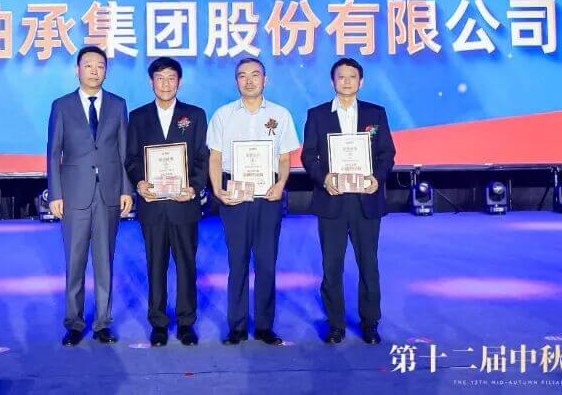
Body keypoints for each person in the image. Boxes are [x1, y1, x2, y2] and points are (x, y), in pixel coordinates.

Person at [300, 57, 396, 345]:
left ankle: (370, 323)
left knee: (369, 265)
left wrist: (377, 178)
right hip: (332, 200)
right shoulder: (317, 115)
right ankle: (336, 324)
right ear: (332, 81)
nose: (346, 81)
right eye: (341, 77)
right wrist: (324, 178)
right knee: (332, 266)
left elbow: (387, 154)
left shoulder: (375, 113)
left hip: (366, 200)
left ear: (361, 82)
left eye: (352, 77)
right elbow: (309, 155)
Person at [206, 57, 299, 346]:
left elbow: (284, 158)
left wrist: (281, 184)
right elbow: (215, 157)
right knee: (237, 263)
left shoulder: (280, 114)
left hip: (268, 194)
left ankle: (264, 326)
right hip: (234, 194)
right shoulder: (223, 115)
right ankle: (236, 327)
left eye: (255, 75)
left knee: (266, 262)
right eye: (242, 75)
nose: (249, 81)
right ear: (236, 81)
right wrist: (217, 189)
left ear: (265, 79)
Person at [45, 45, 133, 346]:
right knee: (75, 260)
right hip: (73, 194)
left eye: (100, 66)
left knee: (105, 261)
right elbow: (53, 152)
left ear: (106, 71)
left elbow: (124, 151)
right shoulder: (62, 105)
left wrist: (126, 189)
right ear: (77, 70)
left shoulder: (118, 105)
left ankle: (103, 324)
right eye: (89, 66)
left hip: (108, 192)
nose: (95, 71)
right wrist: (55, 193)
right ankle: (73, 323)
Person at [125, 57, 209, 346]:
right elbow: (131, 158)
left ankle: (186, 323)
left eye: (171, 78)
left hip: (183, 204)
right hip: (152, 205)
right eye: (160, 78)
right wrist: (139, 182)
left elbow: (202, 157)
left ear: (179, 82)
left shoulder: (194, 115)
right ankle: (158, 323)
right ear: (151, 82)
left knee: (186, 265)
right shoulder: (138, 117)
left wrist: (194, 187)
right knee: (155, 265)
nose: (165, 84)